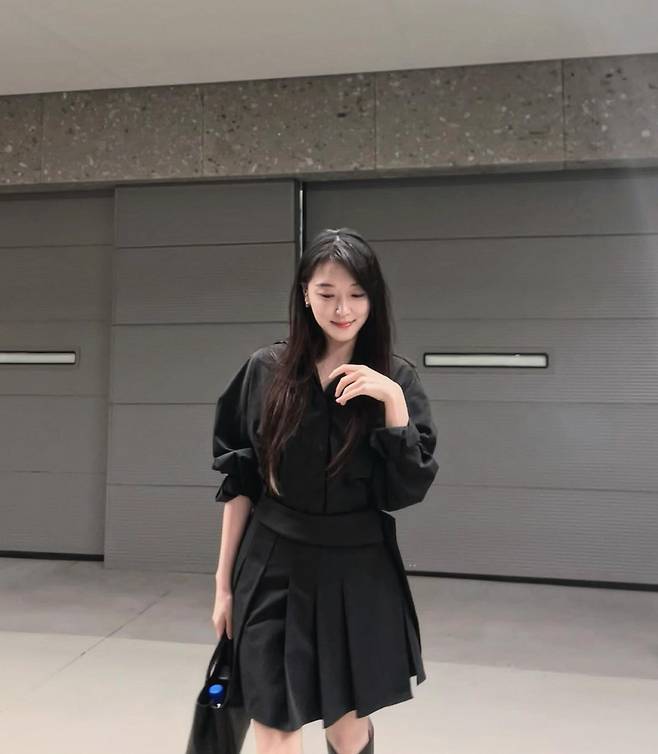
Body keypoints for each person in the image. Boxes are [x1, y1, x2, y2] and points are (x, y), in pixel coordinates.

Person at [211, 228, 439, 754]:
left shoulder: (397, 380)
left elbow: (405, 490)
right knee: (274, 726)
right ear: (304, 294)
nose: (342, 309)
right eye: (327, 293)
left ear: (373, 299)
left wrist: (393, 405)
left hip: (358, 570)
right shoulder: (264, 371)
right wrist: (223, 585)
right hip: (273, 561)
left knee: (347, 729)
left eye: (357, 294)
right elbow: (240, 482)